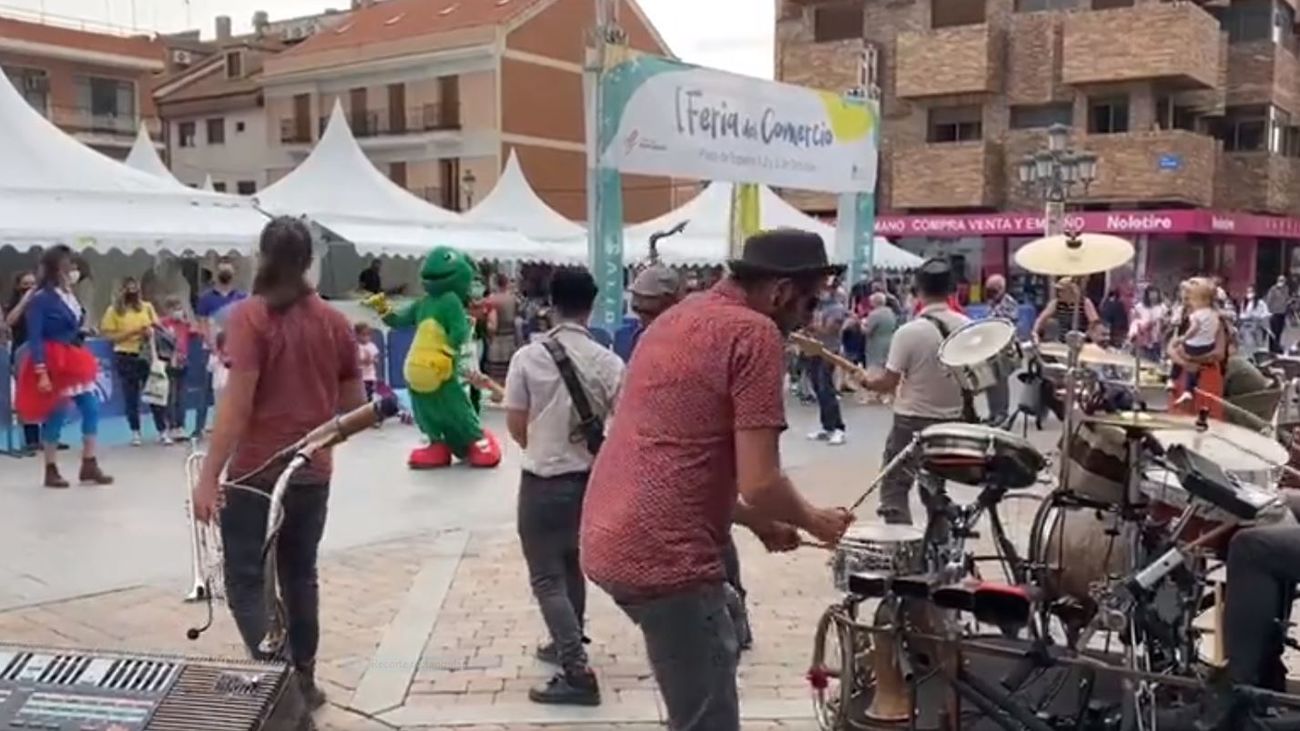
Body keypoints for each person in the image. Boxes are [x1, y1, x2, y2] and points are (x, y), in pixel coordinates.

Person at [581, 229, 855, 731]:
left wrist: (756, 522)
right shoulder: (754, 333)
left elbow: (679, 454)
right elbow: (762, 480)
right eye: (810, 301)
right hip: (664, 555)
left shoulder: (678, 316)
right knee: (708, 714)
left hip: (607, 532)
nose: (811, 316)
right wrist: (818, 521)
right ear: (780, 292)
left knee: (719, 623)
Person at [192, 217, 364, 710]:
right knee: (299, 573)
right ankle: (303, 678)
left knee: (245, 577)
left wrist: (208, 478)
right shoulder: (333, 322)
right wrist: (314, 435)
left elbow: (237, 405)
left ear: (261, 257)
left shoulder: (250, 318)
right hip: (310, 472)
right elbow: (353, 407)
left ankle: (276, 680)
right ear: (309, 261)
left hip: (254, 472)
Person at [503, 268, 624, 706]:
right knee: (573, 566)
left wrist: (544, 446)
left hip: (542, 481)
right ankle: (565, 638)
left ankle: (576, 669)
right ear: (591, 306)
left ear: (550, 303)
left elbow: (517, 424)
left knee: (546, 576)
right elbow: (625, 425)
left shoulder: (527, 359)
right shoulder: (609, 362)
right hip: (589, 481)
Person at [858, 258, 971, 525]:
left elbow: (888, 382)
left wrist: (865, 381)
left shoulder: (909, 332)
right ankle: (940, 544)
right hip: (951, 420)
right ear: (953, 290)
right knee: (934, 487)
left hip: (911, 420)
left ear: (917, 291)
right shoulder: (966, 327)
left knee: (894, 487)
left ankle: (902, 545)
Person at [14, 245, 113, 488]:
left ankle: (89, 462)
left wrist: (80, 331)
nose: (73, 270)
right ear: (56, 267)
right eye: (69, 264)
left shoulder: (69, 296)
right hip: (51, 358)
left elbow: (71, 324)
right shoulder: (41, 299)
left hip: (72, 355)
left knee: (90, 407)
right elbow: (35, 336)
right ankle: (50, 467)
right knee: (56, 414)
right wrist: (40, 370)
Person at [100, 277, 168, 446]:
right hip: (125, 354)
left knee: (155, 393)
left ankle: (162, 430)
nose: (132, 292)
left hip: (146, 355)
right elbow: (109, 336)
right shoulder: (113, 311)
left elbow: (159, 328)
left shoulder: (147, 307)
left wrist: (150, 331)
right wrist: (132, 333)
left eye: (135, 288)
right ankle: (135, 432)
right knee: (131, 396)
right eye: (128, 288)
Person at [194, 257, 248, 440]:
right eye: (222, 270)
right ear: (217, 274)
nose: (226, 273)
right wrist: (214, 348)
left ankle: (234, 427)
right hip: (210, 350)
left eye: (229, 270)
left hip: (235, 349)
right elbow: (202, 324)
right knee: (205, 390)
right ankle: (198, 428)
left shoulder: (241, 298)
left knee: (235, 389)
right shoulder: (206, 299)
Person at [806, 287, 849, 446]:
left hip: (828, 351)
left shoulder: (837, 309)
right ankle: (827, 426)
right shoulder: (818, 307)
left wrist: (810, 326)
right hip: (814, 349)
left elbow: (830, 329)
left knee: (826, 388)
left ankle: (838, 428)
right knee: (818, 388)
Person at [5, 272, 41, 454]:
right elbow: (9, 322)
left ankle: (49, 436)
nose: (30, 287)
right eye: (26, 284)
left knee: (45, 395)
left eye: (33, 284)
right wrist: (24, 301)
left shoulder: (41, 304)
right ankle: (30, 438)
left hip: (42, 352)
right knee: (27, 395)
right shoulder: (14, 306)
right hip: (22, 352)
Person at [1169, 278, 1220, 396]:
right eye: (1184, 297)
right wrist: (1186, 362)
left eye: (1189, 297)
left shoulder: (1213, 318)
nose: (1186, 300)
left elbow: (1218, 353)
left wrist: (1192, 360)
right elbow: (1171, 348)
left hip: (1205, 379)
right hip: (1182, 379)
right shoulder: (1181, 319)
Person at [157, 296, 193, 443]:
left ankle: (180, 425)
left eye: (179, 308)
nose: (178, 311)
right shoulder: (163, 324)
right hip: (169, 363)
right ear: (168, 310)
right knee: (170, 397)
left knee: (181, 396)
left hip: (183, 362)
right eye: (175, 308)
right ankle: (170, 426)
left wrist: (187, 321)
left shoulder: (184, 325)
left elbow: (196, 331)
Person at [984, 274, 1017, 423]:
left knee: (1001, 381)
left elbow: (1004, 323)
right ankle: (993, 412)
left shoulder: (1008, 303)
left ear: (1001, 288)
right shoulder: (991, 303)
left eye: (993, 289)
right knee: (990, 380)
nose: (990, 292)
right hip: (990, 346)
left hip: (1003, 347)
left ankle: (1002, 413)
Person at [627, 264, 682, 354]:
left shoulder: (681, 336)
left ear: (668, 299)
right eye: (635, 296)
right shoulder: (638, 335)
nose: (636, 304)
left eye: (645, 298)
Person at [1033, 277, 1100, 343]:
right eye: (1058, 291)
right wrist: (1035, 332)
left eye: (1062, 291)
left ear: (1071, 291)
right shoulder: (1056, 303)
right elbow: (1042, 318)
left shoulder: (1085, 302)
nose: (1059, 293)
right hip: (1063, 342)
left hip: (1082, 343)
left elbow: (1094, 322)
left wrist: (1086, 335)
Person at [861, 292, 897, 405]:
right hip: (889, 341)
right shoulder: (890, 312)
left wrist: (861, 324)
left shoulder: (874, 315)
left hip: (876, 343)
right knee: (886, 368)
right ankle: (886, 395)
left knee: (874, 369)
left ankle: (872, 394)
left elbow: (868, 331)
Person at [1129, 287, 1166, 362]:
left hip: (1156, 337)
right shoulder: (1139, 307)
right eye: (1151, 293)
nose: (1153, 296)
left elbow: (1165, 322)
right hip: (1142, 337)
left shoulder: (1162, 307)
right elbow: (1134, 320)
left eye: (1155, 293)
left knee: (1155, 360)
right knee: (1142, 359)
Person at [1239, 285, 1271, 356]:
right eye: (1248, 292)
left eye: (1251, 291)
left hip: (1258, 326)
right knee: (1249, 345)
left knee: (1259, 346)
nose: (1249, 294)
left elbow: (1265, 313)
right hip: (1247, 326)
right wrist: (1246, 317)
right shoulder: (1244, 303)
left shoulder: (1260, 303)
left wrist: (1258, 317)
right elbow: (1241, 315)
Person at [355, 323, 380, 401]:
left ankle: (369, 407)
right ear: (356, 335)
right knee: (359, 396)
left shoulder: (372, 346)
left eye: (368, 335)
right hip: (358, 377)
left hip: (369, 377)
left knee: (369, 395)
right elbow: (353, 361)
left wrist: (371, 360)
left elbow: (377, 360)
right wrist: (362, 361)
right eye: (363, 335)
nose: (366, 338)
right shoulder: (355, 346)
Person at [1266, 275, 1290, 354]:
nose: (1282, 282)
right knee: (1273, 332)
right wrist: (1269, 311)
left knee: (1279, 332)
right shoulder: (1273, 289)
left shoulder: (1286, 289)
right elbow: (1269, 300)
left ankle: (1277, 347)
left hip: (1282, 313)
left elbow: (1286, 299)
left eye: (1283, 280)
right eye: (1281, 280)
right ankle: (1272, 348)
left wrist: (1288, 303)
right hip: (1274, 313)